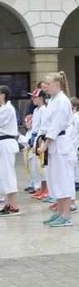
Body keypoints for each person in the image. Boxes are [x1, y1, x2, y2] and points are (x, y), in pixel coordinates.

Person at [39, 72, 76, 227]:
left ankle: (66, 214)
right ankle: (59, 211)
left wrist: (46, 143)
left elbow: (57, 125)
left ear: (57, 84)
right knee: (55, 179)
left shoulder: (62, 101)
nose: (45, 87)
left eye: (48, 84)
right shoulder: (53, 100)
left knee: (63, 179)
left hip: (59, 143)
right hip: (52, 144)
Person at [0, 85, 21, 216]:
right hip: (3, 142)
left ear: (3, 95)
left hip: (6, 141)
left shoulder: (8, 109)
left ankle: (13, 204)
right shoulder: (3, 108)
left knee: (8, 173)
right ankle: (8, 203)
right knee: (3, 174)